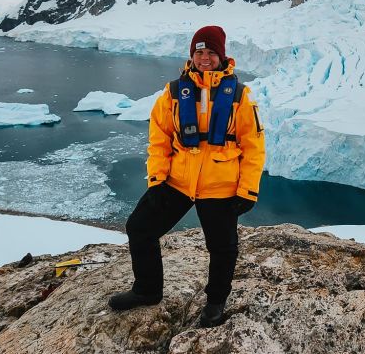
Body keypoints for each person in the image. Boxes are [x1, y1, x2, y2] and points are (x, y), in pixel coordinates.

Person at [108, 25, 266, 328]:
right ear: (191, 55)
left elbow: (253, 146)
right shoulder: (172, 94)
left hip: (220, 185)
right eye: (199, 52)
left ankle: (216, 302)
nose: (204, 58)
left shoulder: (241, 97)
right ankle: (147, 290)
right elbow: (159, 140)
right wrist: (157, 178)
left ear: (222, 56)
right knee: (139, 228)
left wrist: (247, 190)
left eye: (210, 53)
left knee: (222, 248)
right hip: (178, 181)